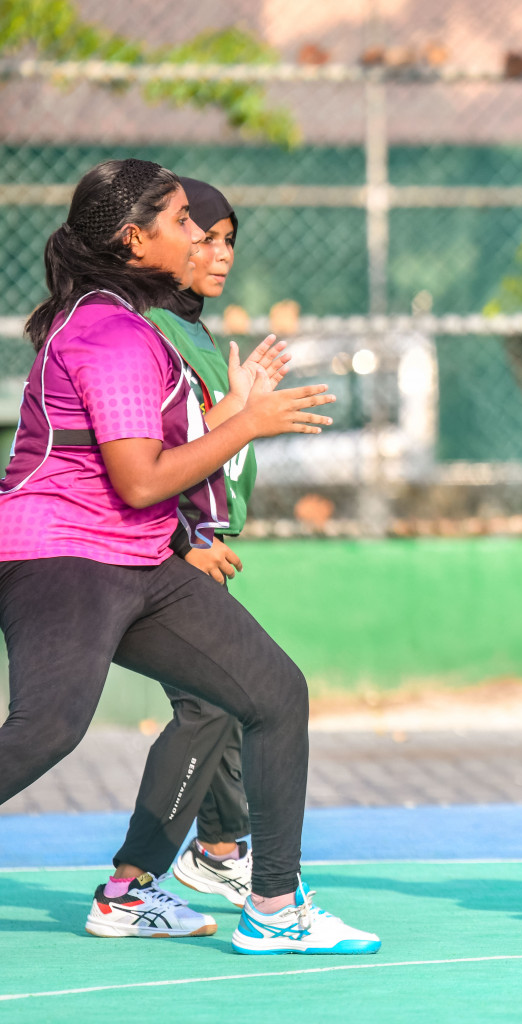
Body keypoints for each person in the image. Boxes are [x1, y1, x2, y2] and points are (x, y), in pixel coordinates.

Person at [0, 158, 378, 955]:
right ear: (135, 240)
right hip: (65, 557)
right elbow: (140, 482)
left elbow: (151, 472)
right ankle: (154, 885)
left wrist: (229, 413)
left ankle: (274, 906)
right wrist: (247, 424)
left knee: (273, 693)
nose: (197, 235)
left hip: (138, 562)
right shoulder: (109, 331)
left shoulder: (132, 326)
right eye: (181, 222)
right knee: (46, 731)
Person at [96, 178, 288, 934]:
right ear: (151, 238)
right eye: (202, 234)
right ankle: (133, 883)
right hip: (150, 548)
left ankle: (215, 848)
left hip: (186, 545)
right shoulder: (139, 326)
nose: (221, 253)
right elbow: (139, 458)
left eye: (229, 239)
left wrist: (236, 407)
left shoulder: (189, 330)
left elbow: (191, 434)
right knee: (214, 702)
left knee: (235, 698)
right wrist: (182, 542)